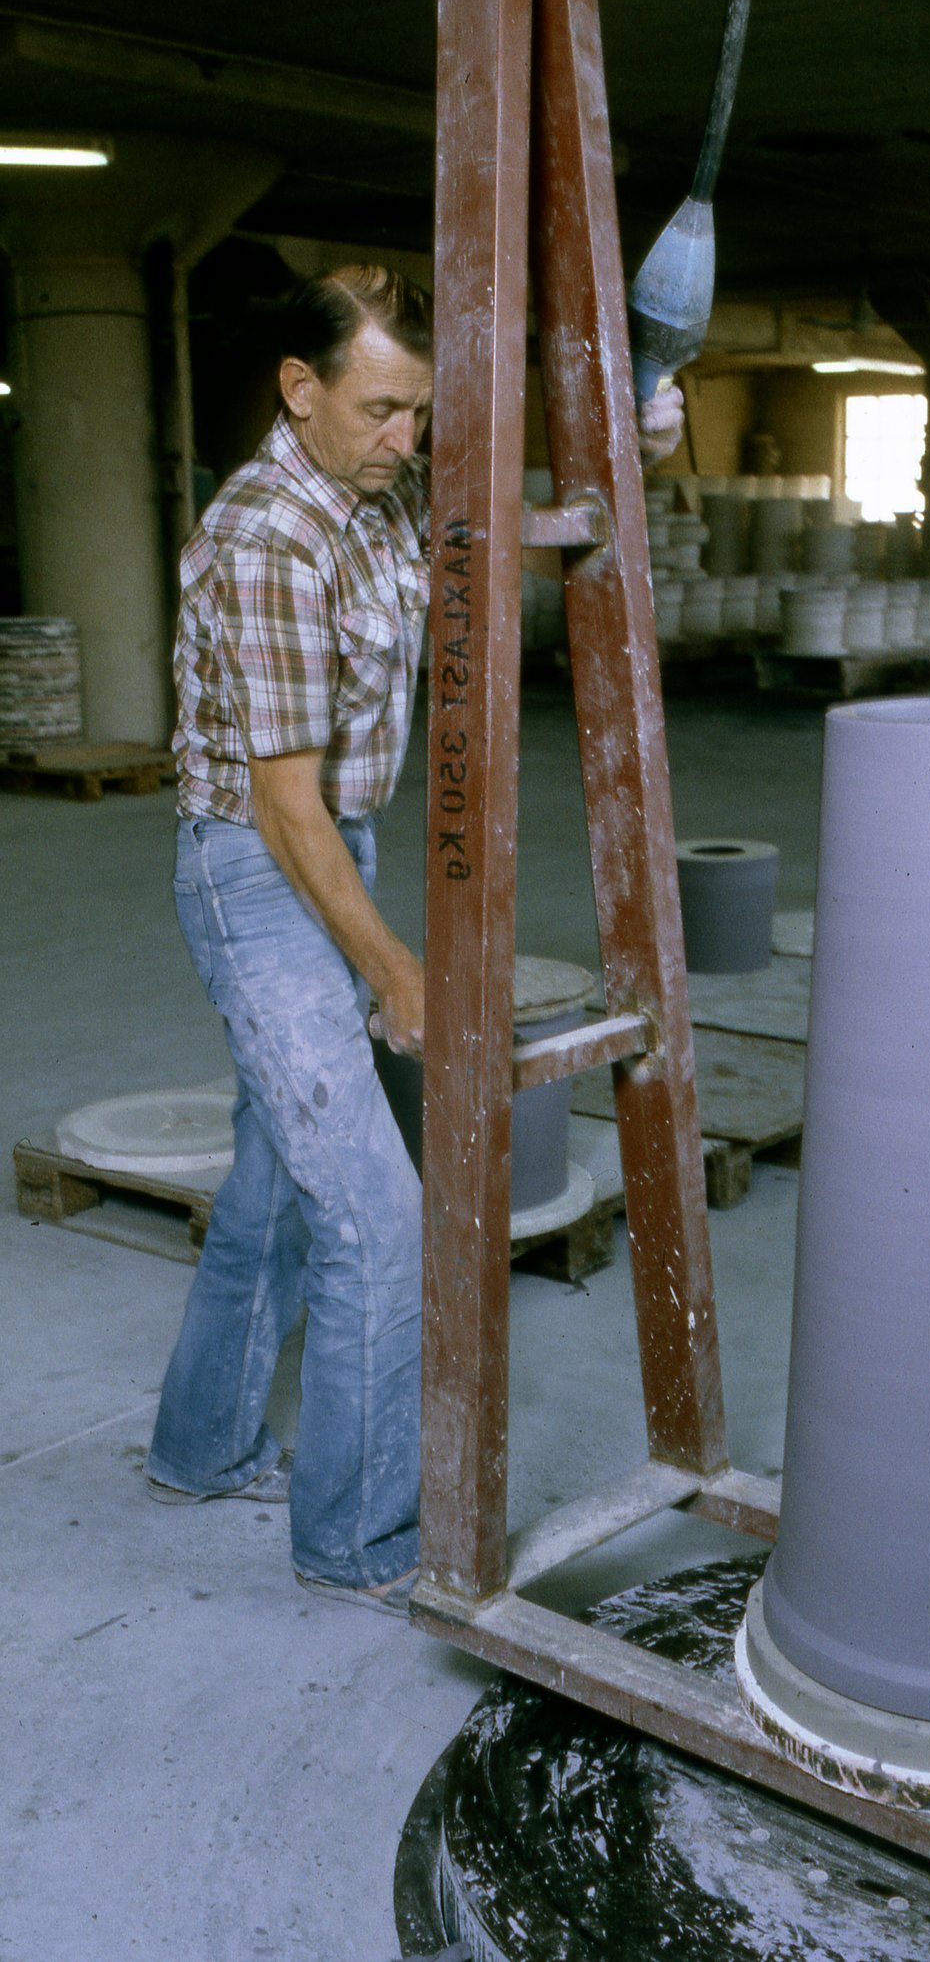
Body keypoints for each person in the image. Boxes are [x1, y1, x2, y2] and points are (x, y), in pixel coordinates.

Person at [146, 264, 683, 1611]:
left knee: (274, 1196)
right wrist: (395, 969)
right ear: (299, 390)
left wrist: (621, 453)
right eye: (382, 411)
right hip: (262, 871)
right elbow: (280, 803)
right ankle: (360, 1539)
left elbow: (490, 525)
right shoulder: (269, 535)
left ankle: (198, 1449)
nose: (407, 440)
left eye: (420, 413)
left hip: (342, 844)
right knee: (379, 1219)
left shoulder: (369, 494)